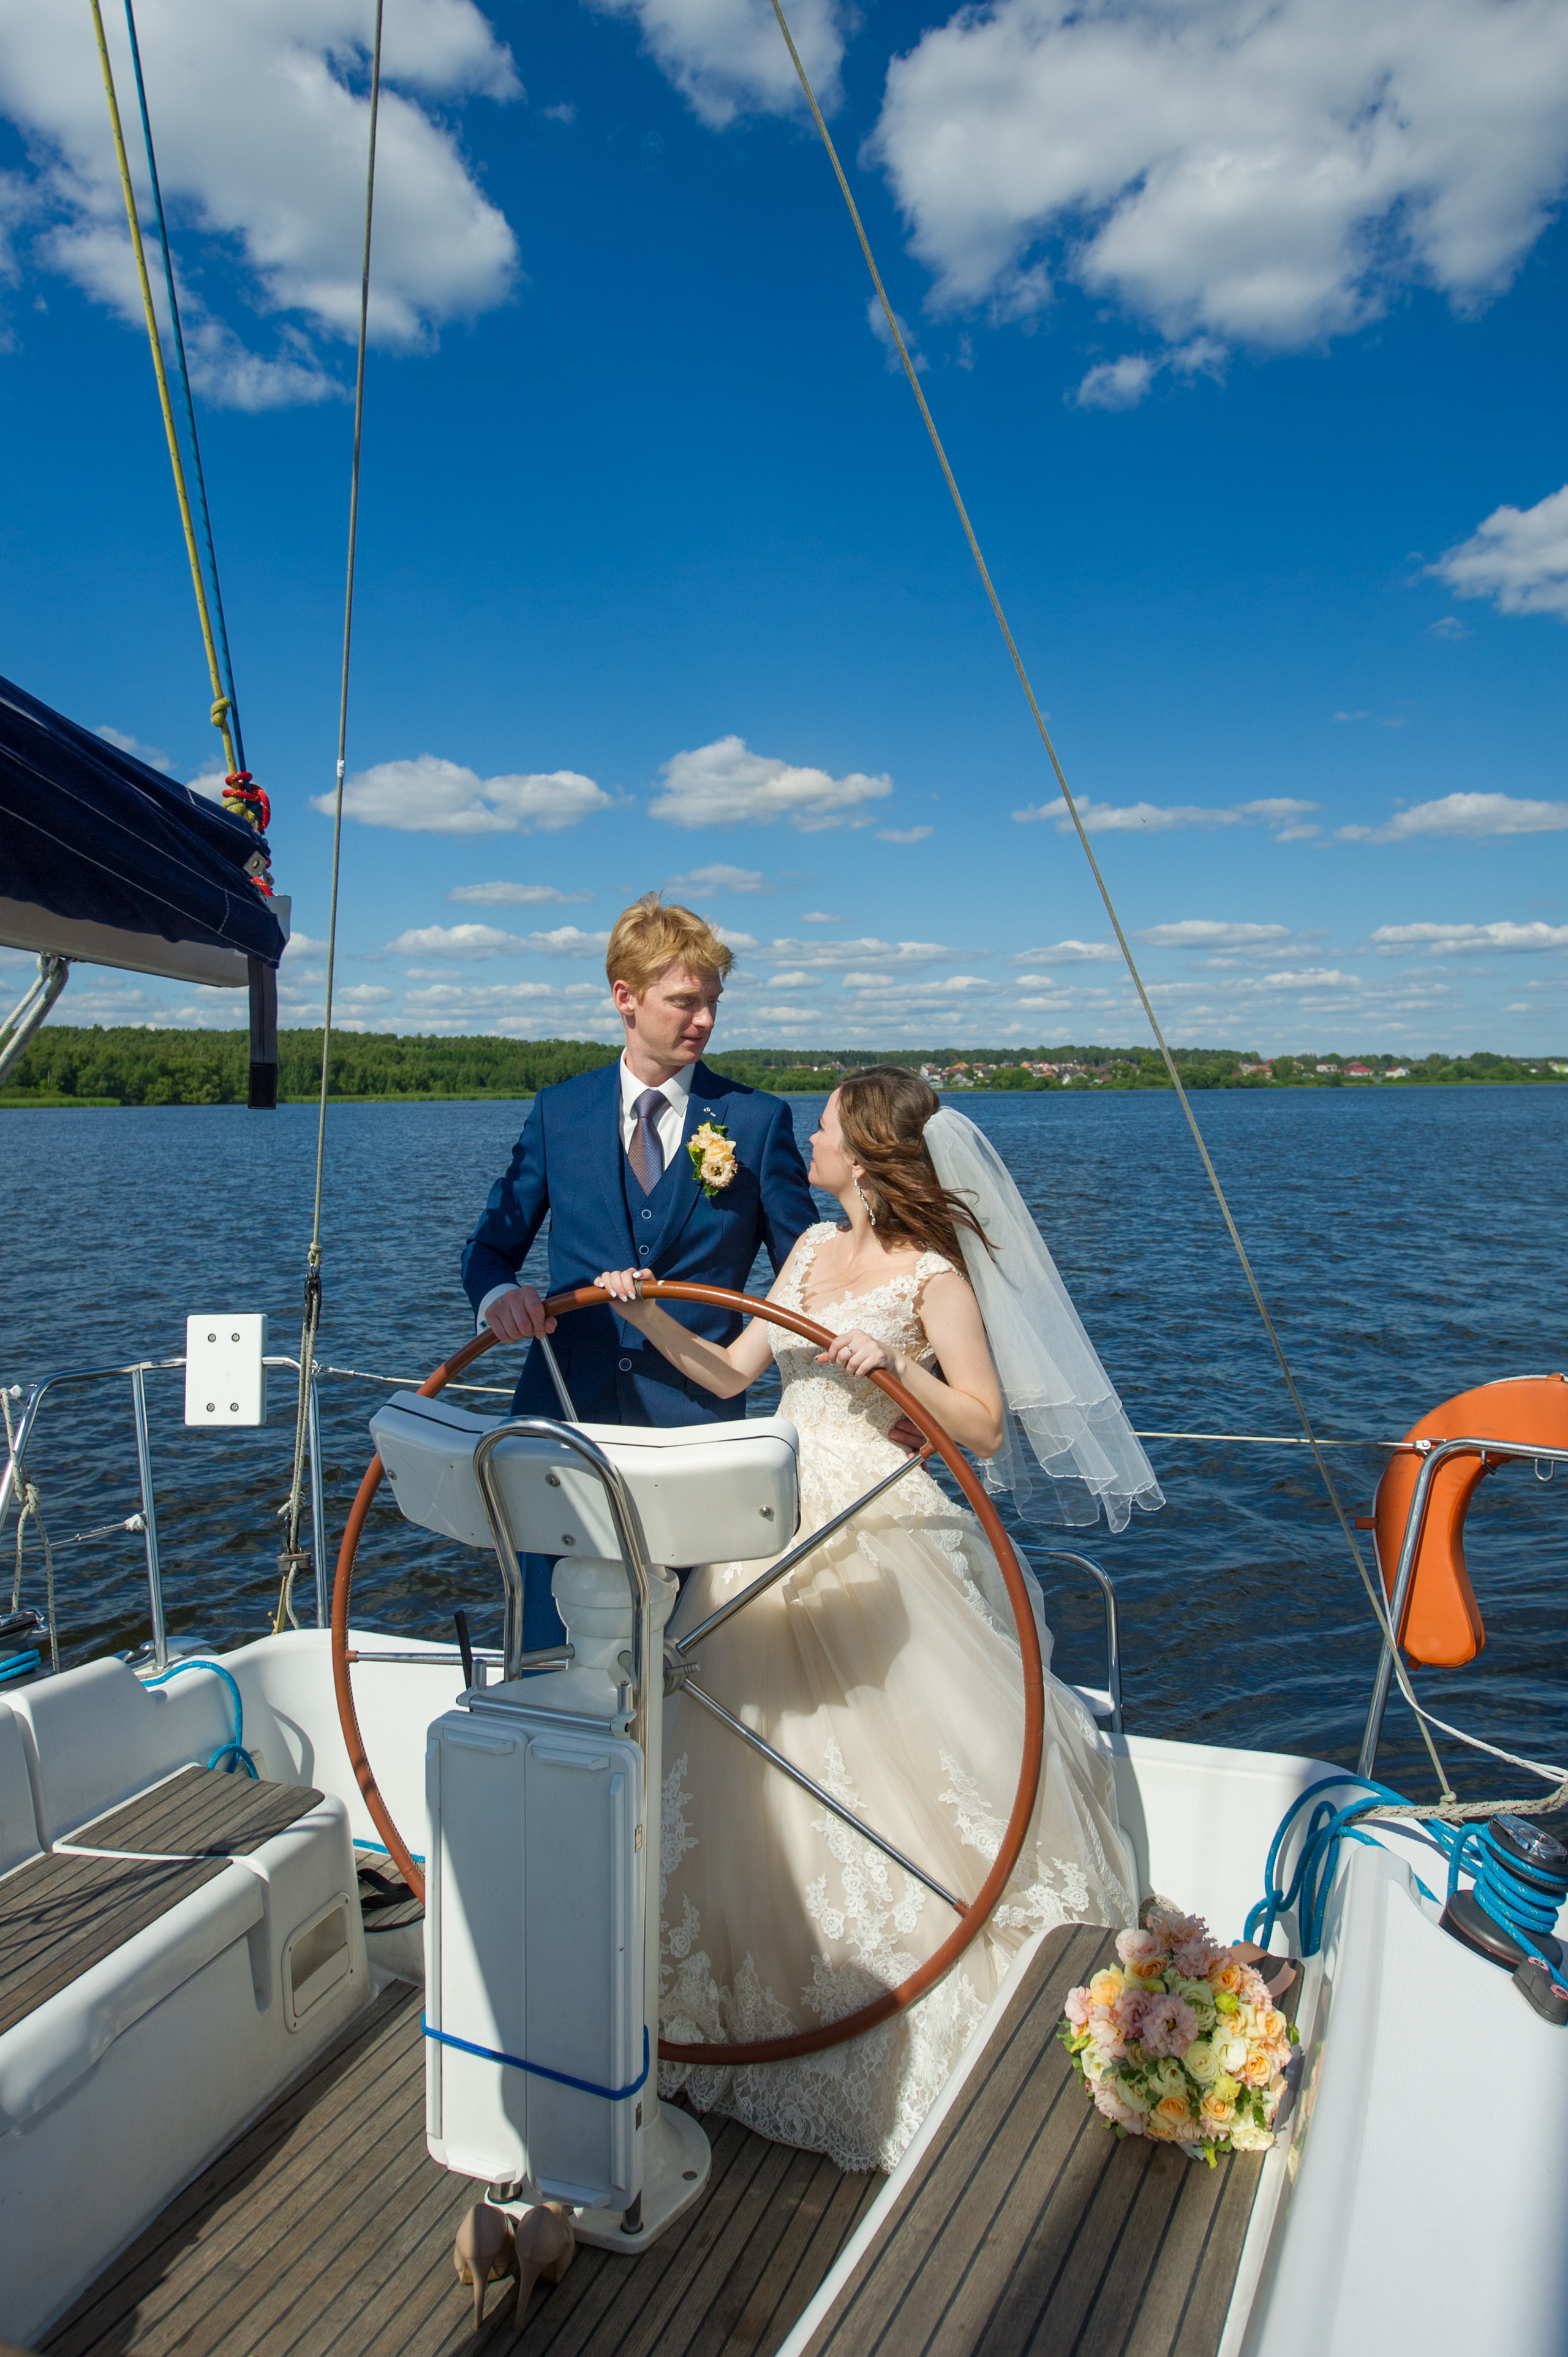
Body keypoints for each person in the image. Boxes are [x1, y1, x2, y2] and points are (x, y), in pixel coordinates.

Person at [595, 1066, 1163, 2174]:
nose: (807, 1138)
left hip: (876, 1521)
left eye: (823, 1126)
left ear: (866, 1149)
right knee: (739, 1755)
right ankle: (743, 2004)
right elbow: (727, 1373)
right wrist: (649, 1312)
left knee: (891, 1762)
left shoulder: (934, 1273)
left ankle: (925, 2008)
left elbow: (986, 1427)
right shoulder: (805, 1251)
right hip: (769, 1518)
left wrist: (898, 1364)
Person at [461, 893, 817, 1652]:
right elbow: (490, 1249)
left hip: (696, 1437)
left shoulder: (755, 1122)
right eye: (685, 1001)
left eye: (713, 1002)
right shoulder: (561, 1111)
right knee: (548, 1643)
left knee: (689, 1652)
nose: (705, 1021)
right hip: (562, 1421)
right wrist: (502, 1295)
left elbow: (805, 1270)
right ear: (625, 998)